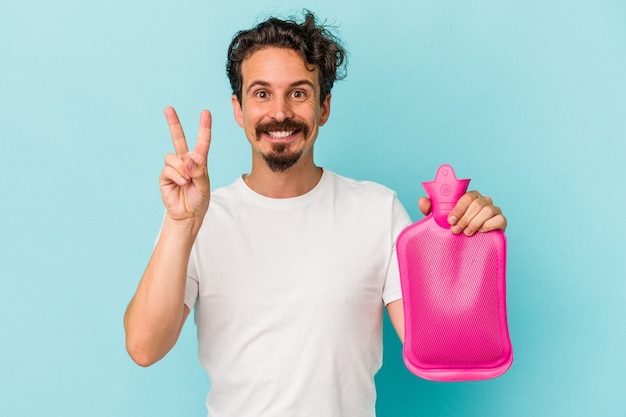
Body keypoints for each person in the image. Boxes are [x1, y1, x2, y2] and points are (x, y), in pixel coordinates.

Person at [124, 10, 507, 417]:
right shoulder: (201, 218)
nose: (279, 112)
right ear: (238, 110)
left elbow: (440, 346)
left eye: (299, 93)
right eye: (261, 93)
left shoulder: (376, 211)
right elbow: (144, 347)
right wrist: (181, 225)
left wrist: (462, 246)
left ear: (324, 107)